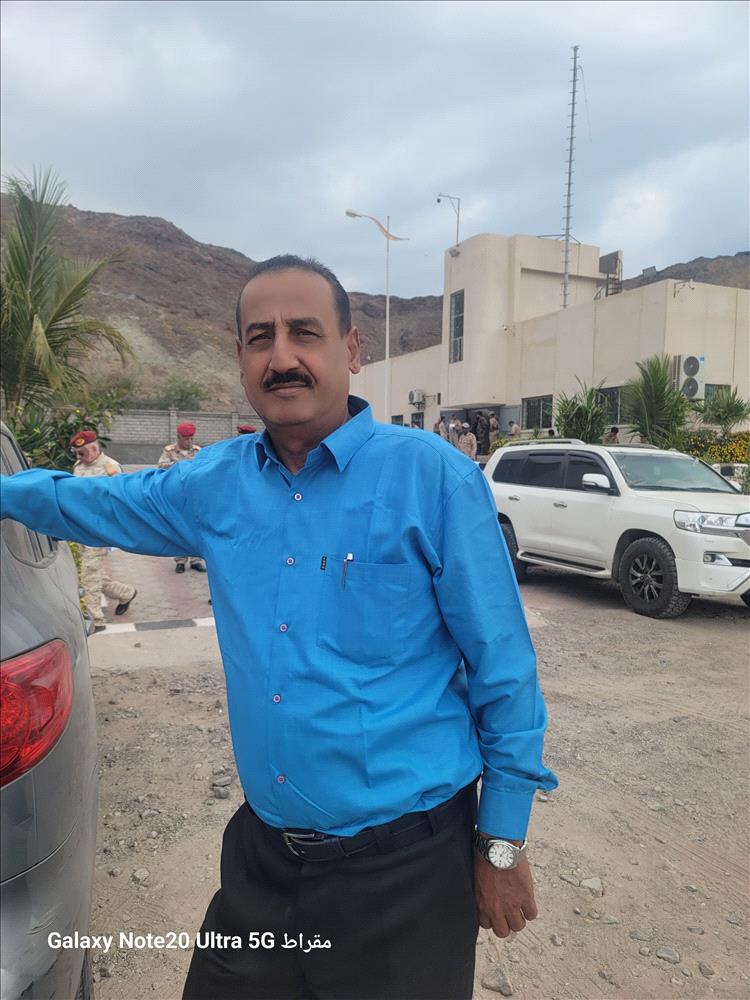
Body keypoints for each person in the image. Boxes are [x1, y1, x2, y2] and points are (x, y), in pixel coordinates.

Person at [1, 255, 556, 1000]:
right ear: (240, 358)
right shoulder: (213, 483)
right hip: (264, 862)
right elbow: (86, 503)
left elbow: (504, 669)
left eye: (305, 332)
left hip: (407, 874)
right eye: (260, 337)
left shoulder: (434, 480)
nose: (282, 356)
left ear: (351, 349)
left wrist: (501, 844)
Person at [69, 429, 136, 631]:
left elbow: (120, 501)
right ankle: (126, 593)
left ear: (94, 448)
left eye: (82, 453)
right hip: (82, 528)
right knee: (92, 573)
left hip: (100, 530)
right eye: (77, 453)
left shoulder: (111, 468)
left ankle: (96, 620)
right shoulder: (79, 466)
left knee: (89, 573)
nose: (79, 456)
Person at [158, 422, 206, 573]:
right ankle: (180, 560)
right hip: (176, 493)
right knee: (179, 527)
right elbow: (161, 465)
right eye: (186, 439)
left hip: (194, 495)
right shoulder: (169, 451)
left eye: (191, 438)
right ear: (179, 437)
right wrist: (178, 465)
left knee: (196, 527)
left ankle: (196, 560)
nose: (189, 442)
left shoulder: (198, 451)